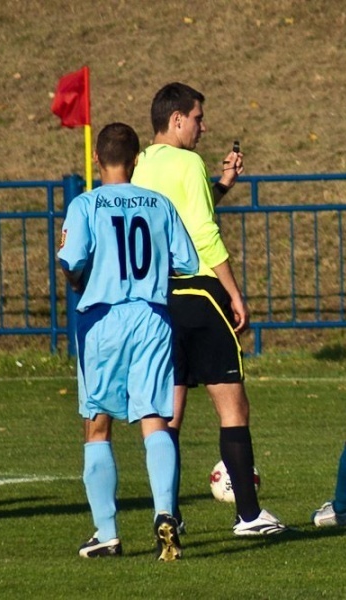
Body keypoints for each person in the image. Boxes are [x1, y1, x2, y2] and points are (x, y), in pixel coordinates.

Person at [131, 82, 285, 536]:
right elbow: (200, 229)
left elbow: (177, 211)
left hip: (157, 301)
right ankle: (250, 515)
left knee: (170, 411)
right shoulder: (187, 161)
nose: (203, 126)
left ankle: (168, 513)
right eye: (198, 117)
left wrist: (221, 185)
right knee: (232, 404)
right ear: (176, 119)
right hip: (199, 294)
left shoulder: (141, 165)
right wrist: (234, 292)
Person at [57, 122, 199, 560]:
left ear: (98, 159)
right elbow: (187, 262)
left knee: (98, 425)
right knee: (155, 418)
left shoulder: (84, 205)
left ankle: (107, 533)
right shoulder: (159, 204)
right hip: (153, 318)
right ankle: (163, 513)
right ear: (137, 160)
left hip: (104, 319)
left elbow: (71, 261)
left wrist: (79, 275)